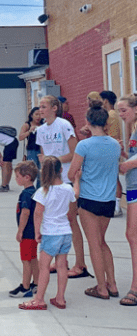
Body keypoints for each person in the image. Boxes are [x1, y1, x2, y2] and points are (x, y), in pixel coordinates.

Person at [67, 102, 120, 300]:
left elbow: (72, 172)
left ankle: (101, 287)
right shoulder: (115, 144)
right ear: (106, 122)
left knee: (94, 244)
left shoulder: (84, 145)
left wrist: (78, 178)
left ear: (88, 122)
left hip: (89, 199)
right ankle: (112, 283)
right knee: (102, 242)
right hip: (108, 200)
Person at [36, 95, 89, 279]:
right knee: (53, 219)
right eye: (39, 107)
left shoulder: (64, 125)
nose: (41, 110)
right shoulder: (41, 130)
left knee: (71, 220)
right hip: (50, 180)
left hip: (66, 178)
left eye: (44, 106)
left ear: (54, 108)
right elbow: (43, 156)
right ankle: (61, 262)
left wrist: (54, 161)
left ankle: (80, 263)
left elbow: (74, 152)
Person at [19, 156, 75, 310]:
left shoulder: (42, 191)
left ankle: (39, 299)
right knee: (62, 266)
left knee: (44, 267)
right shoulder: (67, 189)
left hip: (51, 233)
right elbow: (74, 196)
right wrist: (77, 180)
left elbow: (38, 213)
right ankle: (60, 298)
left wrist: (37, 232)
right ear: (61, 170)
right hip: (66, 232)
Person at [117, 94, 137, 306]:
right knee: (132, 235)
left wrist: (127, 165)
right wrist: (124, 153)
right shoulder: (134, 130)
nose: (120, 115)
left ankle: (135, 287)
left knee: (133, 235)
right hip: (133, 188)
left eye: (123, 110)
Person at [10, 161, 39, 298]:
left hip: (27, 233)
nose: (16, 179)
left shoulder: (26, 194)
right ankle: (37, 283)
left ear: (27, 177)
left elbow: (25, 213)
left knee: (26, 260)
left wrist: (20, 230)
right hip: (34, 232)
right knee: (33, 258)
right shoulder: (34, 192)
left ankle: (25, 286)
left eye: (17, 176)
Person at [100, 90, 124, 217]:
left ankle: (118, 206)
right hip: (112, 150)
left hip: (111, 150)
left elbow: (112, 135)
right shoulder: (110, 114)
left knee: (115, 179)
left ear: (105, 101)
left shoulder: (111, 115)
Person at [19, 107, 43, 171]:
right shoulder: (27, 125)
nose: (38, 117)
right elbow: (20, 137)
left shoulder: (43, 125)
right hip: (32, 150)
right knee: (32, 169)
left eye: (40, 114)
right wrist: (29, 131)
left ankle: (40, 181)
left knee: (42, 170)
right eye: (36, 114)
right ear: (32, 115)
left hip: (42, 150)